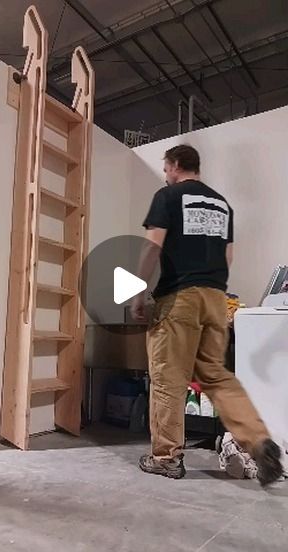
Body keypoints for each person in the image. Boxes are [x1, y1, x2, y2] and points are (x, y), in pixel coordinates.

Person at [131, 144, 283, 487]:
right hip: (216, 298)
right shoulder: (222, 205)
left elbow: (152, 246)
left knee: (168, 377)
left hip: (180, 298)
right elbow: (227, 258)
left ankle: (166, 457)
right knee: (216, 375)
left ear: (174, 165)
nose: (165, 173)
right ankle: (259, 441)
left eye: (166, 167)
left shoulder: (168, 197)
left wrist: (138, 294)